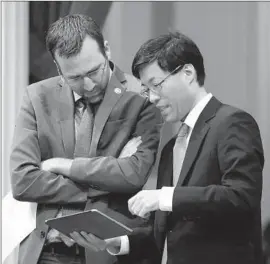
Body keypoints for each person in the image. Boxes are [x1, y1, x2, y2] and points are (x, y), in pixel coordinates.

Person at [70, 31, 265, 264]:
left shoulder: (232, 122)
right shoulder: (171, 147)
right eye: (145, 89)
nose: (151, 98)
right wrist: (118, 241)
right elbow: (166, 233)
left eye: (156, 85)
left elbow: (241, 197)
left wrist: (165, 196)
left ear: (188, 73)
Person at [10, 14, 161, 264]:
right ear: (59, 70)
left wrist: (63, 166)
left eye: (94, 71)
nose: (89, 85)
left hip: (105, 253)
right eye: (75, 78)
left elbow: (134, 175)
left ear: (107, 51)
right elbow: (23, 181)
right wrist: (109, 178)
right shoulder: (37, 97)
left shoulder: (141, 98)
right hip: (44, 252)